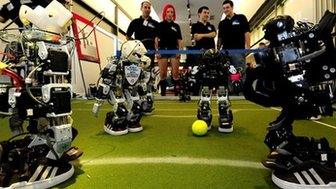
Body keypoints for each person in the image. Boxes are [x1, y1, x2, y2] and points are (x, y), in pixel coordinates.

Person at [126, 1, 158, 114]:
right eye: (145, 7)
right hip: (137, 54)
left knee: (148, 79)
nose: (147, 9)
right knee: (136, 78)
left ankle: (147, 103)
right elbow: (127, 36)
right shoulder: (135, 22)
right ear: (141, 8)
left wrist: (156, 50)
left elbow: (156, 39)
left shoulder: (155, 23)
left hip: (150, 54)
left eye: (149, 7)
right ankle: (135, 104)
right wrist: (133, 47)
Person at [155, 4, 183, 96]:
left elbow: (179, 40)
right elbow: (156, 39)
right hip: (162, 50)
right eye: (168, 12)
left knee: (175, 74)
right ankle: (163, 94)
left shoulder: (176, 26)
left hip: (174, 51)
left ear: (173, 14)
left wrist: (179, 51)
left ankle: (177, 94)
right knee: (163, 74)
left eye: (172, 12)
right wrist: (157, 51)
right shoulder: (160, 25)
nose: (170, 13)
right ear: (165, 13)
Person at [217, 0, 250, 72]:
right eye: (224, 8)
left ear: (232, 7)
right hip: (225, 52)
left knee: (240, 73)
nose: (225, 10)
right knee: (227, 74)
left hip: (238, 50)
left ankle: (241, 83)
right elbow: (220, 38)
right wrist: (218, 50)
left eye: (227, 7)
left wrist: (248, 47)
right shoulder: (222, 23)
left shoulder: (241, 18)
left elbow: (247, 32)